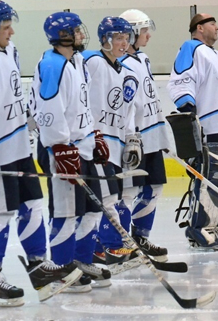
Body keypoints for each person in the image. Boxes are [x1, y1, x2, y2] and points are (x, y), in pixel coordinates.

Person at [0, 0, 81, 307]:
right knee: (0, 214)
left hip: (19, 146)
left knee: (33, 204)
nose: (12, 31)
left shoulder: (8, 52)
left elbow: (14, 94)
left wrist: (31, 119)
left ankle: (39, 268)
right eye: (6, 26)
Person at [29, 11, 112, 290]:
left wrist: (95, 132)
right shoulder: (52, 64)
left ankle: (80, 261)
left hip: (83, 145)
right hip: (61, 148)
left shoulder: (77, 60)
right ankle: (63, 270)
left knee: (92, 209)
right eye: (76, 30)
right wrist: (61, 146)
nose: (80, 34)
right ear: (63, 35)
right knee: (66, 212)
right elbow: (48, 111)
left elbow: (83, 105)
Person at [167, 13, 218, 250]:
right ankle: (198, 226)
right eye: (213, 23)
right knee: (209, 176)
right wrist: (188, 107)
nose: (217, 27)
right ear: (199, 28)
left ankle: (211, 223)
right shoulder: (192, 48)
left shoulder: (217, 55)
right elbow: (180, 80)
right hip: (210, 125)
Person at [82, 17, 143, 274]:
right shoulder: (92, 61)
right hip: (95, 142)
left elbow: (128, 111)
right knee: (107, 197)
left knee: (116, 197)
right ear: (105, 39)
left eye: (127, 38)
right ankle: (112, 246)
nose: (124, 43)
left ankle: (101, 245)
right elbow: (79, 96)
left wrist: (132, 138)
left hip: (115, 145)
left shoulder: (129, 74)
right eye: (118, 38)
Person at [118, 9, 170, 262]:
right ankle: (121, 244)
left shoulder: (142, 59)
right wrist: (130, 136)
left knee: (154, 187)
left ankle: (140, 238)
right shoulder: (121, 64)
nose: (148, 35)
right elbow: (125, 105)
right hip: (135, 139)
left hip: (152, 136)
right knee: (129, 192)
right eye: (144, 30)